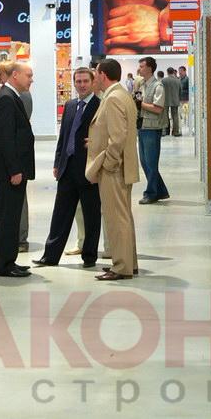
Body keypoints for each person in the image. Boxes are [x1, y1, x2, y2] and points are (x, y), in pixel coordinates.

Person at [33, 67, 100, 268]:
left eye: (85, 81)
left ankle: (89, 256)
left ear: (92, 82)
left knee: (91, 215)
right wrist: (57, 162)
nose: (81, 85)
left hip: (88, 170)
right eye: (78, 81)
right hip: (67, 168)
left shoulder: (99, 106)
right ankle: (50, 256)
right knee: (60, 214)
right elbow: (63, 137)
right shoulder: (70, 105)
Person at [86, 58, 139, 281]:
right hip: (121, 166)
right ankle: (128, 262)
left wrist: (107, 164)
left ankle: (121, 266)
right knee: (123, 217)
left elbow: (117, 138)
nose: (94, 78)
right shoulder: (121, 95)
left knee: (116, 219)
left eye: (96, 73)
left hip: (115, 169)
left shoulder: (113, 98)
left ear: (103, 75)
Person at [0, 62, 35, 277]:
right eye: (29, 75)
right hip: (11, 172)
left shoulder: (11, 96)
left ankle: (9, 260)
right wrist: (14, 170)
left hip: (14, 170)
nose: (31, 80)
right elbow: (6, 138)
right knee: (8, 219)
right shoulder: (6, 99)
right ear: (15, 75)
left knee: (12, 217)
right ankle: (4, 265)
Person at [136, 56, 170, 204]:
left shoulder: (158, 86)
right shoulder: (142, 85)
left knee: (150, 162)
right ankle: (160, 191)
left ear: (150, 68)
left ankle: (151, 193)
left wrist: (140, 104)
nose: (139, 69)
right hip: (142, 126)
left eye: (142, 66)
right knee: (145, 162)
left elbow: (158, 108)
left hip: (152, 128)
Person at [163, 67, 182, 136]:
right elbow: (180, 90)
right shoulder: (178, 80)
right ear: (173, 72)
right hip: (175, 100)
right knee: (175, 116)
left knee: (165, 116)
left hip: (165, 100)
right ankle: (175, 132)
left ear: (167, 72)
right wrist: (178, 98)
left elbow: (161, 90)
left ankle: (165, 131)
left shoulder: (164, 80)